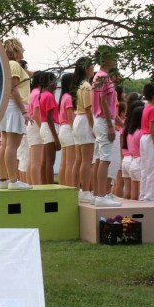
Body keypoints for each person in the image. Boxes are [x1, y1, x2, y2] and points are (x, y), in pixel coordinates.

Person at [0, 39, 32, 190]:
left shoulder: (6, 65)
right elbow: (14, 88)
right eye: (22, 48)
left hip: (6, 106)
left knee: (5, 144)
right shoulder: (15, 65)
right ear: (16, 50)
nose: (24, 51)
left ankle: (4, 179)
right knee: (12, 145)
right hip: (15, 106)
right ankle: (13, 180)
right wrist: (24, 111)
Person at [90, 47, 120, 206]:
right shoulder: (103, 77)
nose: (115, 59)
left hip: (99, 119)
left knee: (99, 158)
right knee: (105, 159)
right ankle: (101, 195)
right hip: (103, 120)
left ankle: (98, 193)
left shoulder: (98, 76)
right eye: (113, 56)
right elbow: (104, 102)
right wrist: (110, 125)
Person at [71, 57, 96, 202]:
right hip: (85, 121)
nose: (93, 68)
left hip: (78, 120)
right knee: (86, 159)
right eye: (91, 66)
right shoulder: (86, 86)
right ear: (86, 68)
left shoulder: (79, 85)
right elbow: (88, 109)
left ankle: (76, 189)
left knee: (79, 159)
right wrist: (93, 127)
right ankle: (85, 191)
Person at [138, 82, 154, 202]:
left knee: (145, 168)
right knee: (152, 167)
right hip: (150, 138)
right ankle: (149, 195)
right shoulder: (153, 110)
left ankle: (143, 194)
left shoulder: (146, 108)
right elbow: (152, 128)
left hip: (144, 138)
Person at [57, 72, 77, 187]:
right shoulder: (69, 98)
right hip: (68, 129)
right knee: (71, 162)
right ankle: (70, 186)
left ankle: (63, 185)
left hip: (63, 129)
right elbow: (71, 118)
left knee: (64, 162)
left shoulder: (63, 97)